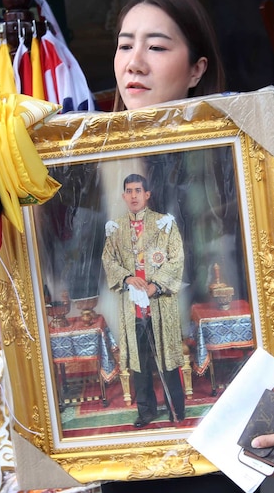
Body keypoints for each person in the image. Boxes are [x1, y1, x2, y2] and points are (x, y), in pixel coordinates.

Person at [101, 0, 274, 491]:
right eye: (124, 45)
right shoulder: (82, 164)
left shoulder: (234, 159)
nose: (134, 62)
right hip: (126, 457)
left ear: (198, 69)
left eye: (157, 47)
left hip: (224, 432)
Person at [102, 173, 187, 428]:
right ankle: (146, 411)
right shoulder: (115, 229)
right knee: (139, 362)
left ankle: (175, 409)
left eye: (138, 190)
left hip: (160, 304)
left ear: (147, 194)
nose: (134, 195)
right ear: (123, 196)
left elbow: (176, 258)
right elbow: (109, 260)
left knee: (166, 357)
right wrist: (127, 277)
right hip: (132, 308)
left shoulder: (165, 224)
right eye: (129, 191)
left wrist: (155, 286)